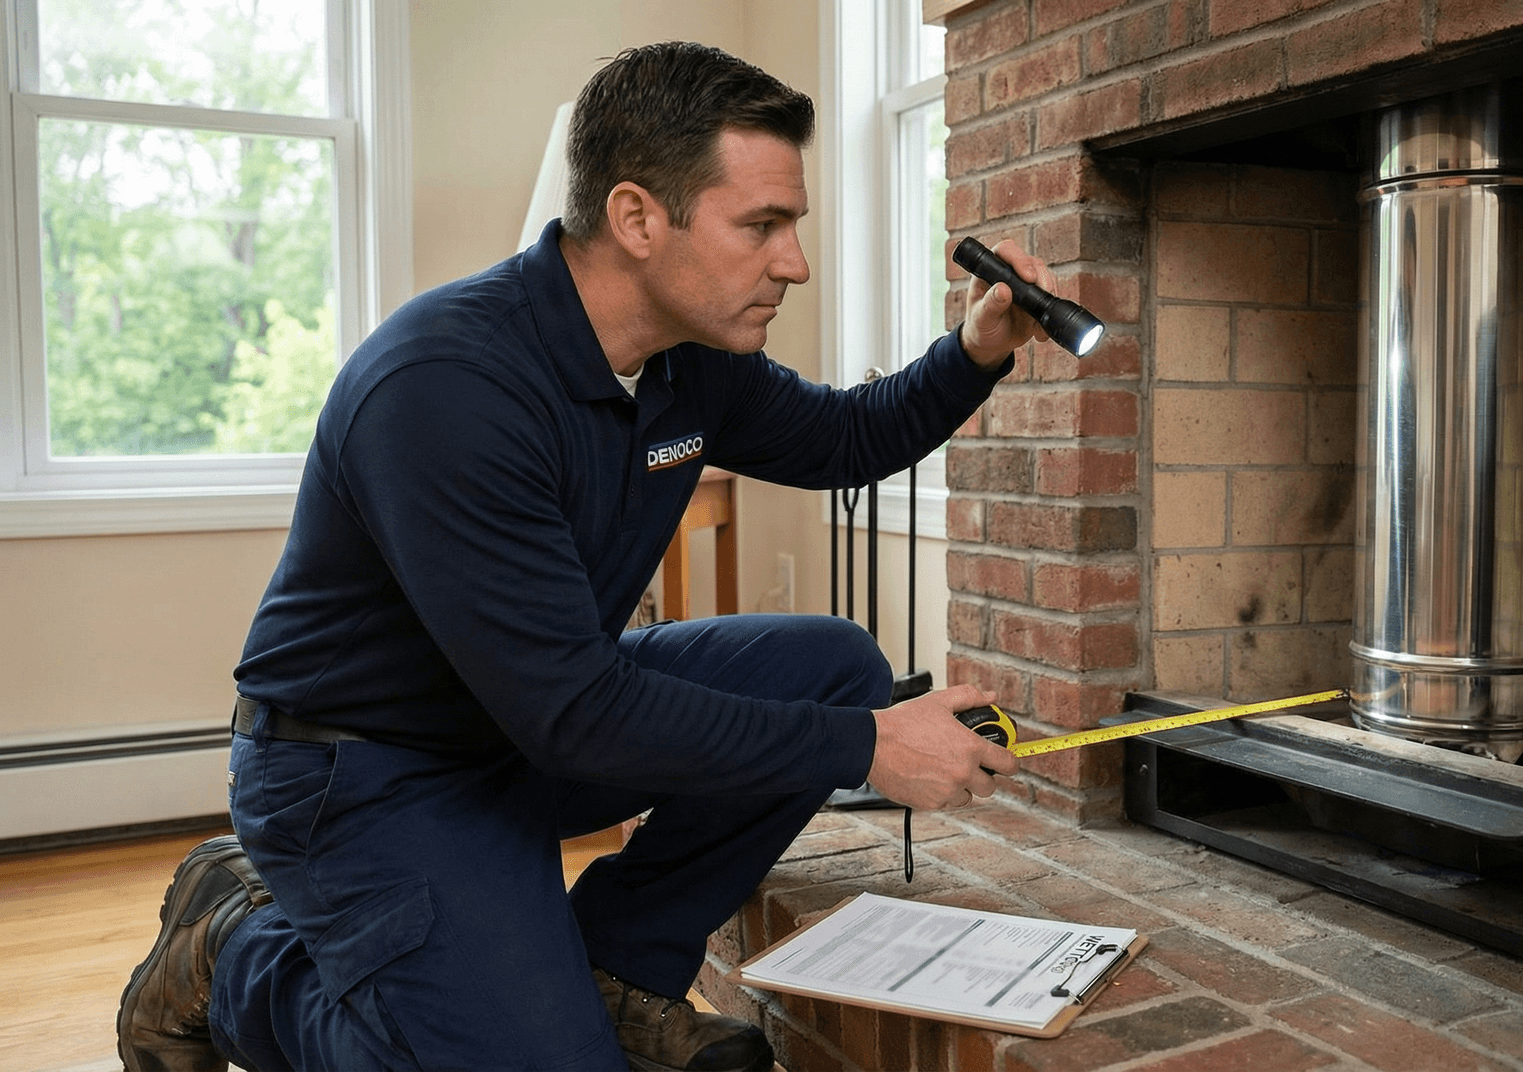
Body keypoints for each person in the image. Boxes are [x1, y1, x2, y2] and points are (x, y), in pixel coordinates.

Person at [117, 41, 1049, 1072]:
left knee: (829, 665)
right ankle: (235, 953)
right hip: (363, 767)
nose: (795, 262)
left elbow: (846, 439)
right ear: (638, 216)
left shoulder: (688, 364)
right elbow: (579, 715)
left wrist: (976, 351)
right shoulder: (447, 387)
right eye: (762, 226)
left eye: (794, 225)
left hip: (527, 723)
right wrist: (868, 747)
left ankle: (618, 971)